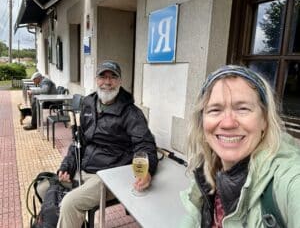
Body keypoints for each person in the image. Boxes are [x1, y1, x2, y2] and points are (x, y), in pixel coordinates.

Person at [180, 65, 300, 227]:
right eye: (215, 110)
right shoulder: (207, 168)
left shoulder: (289, 179)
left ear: (264, 120)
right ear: (202, 122)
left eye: (243, 108)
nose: (228, 123)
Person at [57, 60, 158, 228]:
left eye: (113, 77)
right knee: (47, 187)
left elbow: (145, 146)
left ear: (119, 81)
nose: (107, 82)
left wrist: (147, 171)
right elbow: (79, 140)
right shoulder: (88, 104)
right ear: (96, 80)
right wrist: (67, 165)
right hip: (84, 167)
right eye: (103, 77)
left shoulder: (131, 113)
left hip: (110, 174)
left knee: (69, 203)